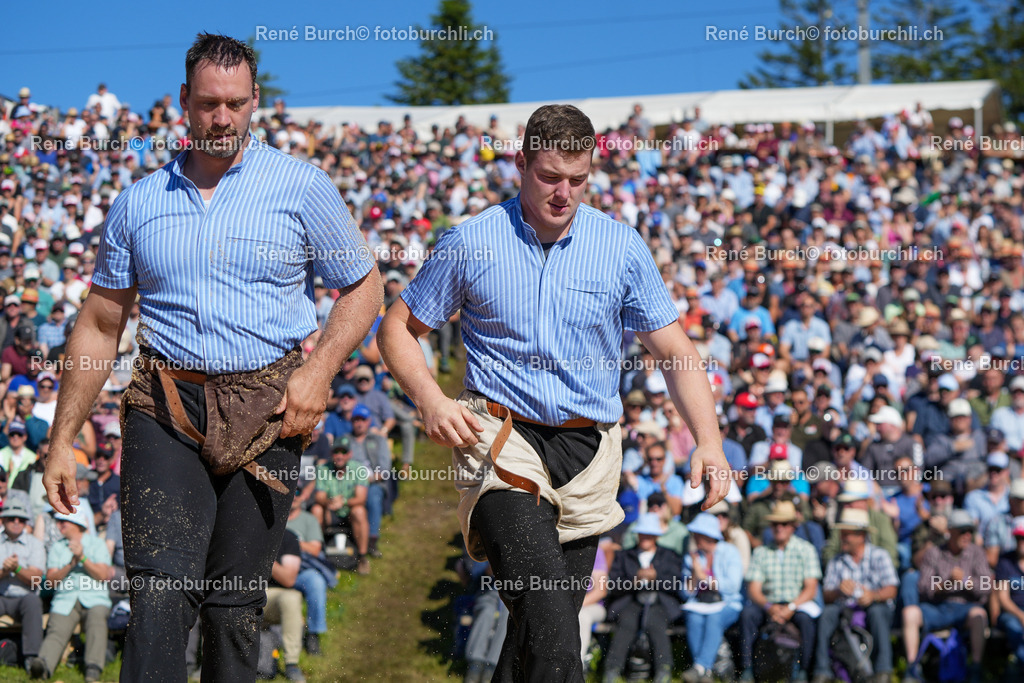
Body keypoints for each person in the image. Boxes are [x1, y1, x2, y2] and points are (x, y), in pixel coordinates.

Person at [42, 34, 381, 681]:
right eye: (207, 104)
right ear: (183, 103)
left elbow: (365, 286)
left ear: (256, 101)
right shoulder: (139, 202)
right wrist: (63, 439)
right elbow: (100, 320)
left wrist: (318, 371)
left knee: (233, 608)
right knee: (160, 595)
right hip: (165, 404)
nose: (221, 118)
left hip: (271, 409)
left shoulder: (302, 186)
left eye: (234, 103)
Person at [377, 103, 729, 681]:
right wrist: (432, 401)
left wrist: (709, 443)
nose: (563, 193)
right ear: (520, 164)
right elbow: (398, 329)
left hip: (589, 451)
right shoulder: (473, 240)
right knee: (556, 632)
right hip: (501, 438)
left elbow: (676, 352)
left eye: (578, 180)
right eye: (549, 177)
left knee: (541, 636)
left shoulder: (620, 247)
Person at [902, 509, 991, 683]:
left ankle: (976, 669)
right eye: (962, 530)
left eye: (970, 531)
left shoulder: (976, 553)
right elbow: (924, 587)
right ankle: (912, 668)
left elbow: (986, 586)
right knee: (909, 613)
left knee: (979, 615)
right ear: (950, 531)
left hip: (965, 609)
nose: (967, 535)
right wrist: (947, 583)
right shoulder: (934, 553)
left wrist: (964, 581)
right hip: (937, 608)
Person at [812, 507, 899, 683]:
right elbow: (826, 596)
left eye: (847, 534)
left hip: (875, 606)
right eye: (842, 533)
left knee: (877, 611)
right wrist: (838, 591)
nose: (842, 538)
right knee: (827, 613)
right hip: (845, 608)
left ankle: (883, 670)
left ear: (861, 536)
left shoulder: (880, 556)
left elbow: (892, 589)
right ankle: (822, 671)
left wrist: (873, 595)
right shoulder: (837, 560)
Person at [739, 500, 821, 683]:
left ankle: (804, 671)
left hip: (797, 603)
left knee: (806, 621)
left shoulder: (805, 550)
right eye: (775, 524)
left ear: (793, 526)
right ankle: (747, 669)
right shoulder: (761, 552)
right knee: (747, 615)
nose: (779, 528)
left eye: (784, 523)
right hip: (769, 603)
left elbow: (811, 588)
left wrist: (791, 607)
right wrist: (769, 607)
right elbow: (754, 589)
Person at [27, 506, 111, 682]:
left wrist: (83, 558)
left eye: (63, 522)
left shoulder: (96, 544)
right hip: (65, 598)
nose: (59, 525)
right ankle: (42, 666)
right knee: (56, 629)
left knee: (96, 620)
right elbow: (50, 581)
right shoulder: (58, 547)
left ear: (76, 523)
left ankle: (93, 669)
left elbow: (103, 575)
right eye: (58, 521)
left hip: (94, 597)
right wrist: (70, 565)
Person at [602, 512, 683, 683]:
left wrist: (656, 579)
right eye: (642, 533)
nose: (645, 537)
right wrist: (635, 580)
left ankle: (664, 669)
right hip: (631, 601)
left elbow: (676, 585)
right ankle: (613, 669)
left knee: (656, 623)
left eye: (649, 533)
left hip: (659, 602)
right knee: (626, 623)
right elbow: (614, 585)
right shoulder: (624, 556)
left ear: (656, 536)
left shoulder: (669, 556)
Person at [680, 512, 743, 683]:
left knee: (714, 618)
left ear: (707, 535)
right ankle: (705, 673)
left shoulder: (730, 552)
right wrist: (695, 574)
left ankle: (700, 668)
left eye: (698, 534)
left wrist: (706, 579)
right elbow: (685, 593)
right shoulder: (692, 557)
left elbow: (732, 586)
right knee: (694, 618)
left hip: (727, 603)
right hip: (699, 604)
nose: (695, 538)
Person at [0, 504, 46, 673]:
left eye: (21, 519)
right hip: (2, 595)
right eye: (12, 518)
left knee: (33, 602)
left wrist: (17, 569)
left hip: (24, 597)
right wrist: (4, 571)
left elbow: (36, 579)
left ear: (27, 522)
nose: (17, 522)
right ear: (3, 520)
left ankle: (31, 660)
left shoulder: (35, 544)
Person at [262, 529, 306, 682]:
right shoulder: (236, 531)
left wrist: (263, 554)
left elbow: (289, 579)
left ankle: (291, 663)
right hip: (237, 589)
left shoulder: (287, 536)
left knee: (292, 598)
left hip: (272, 594)